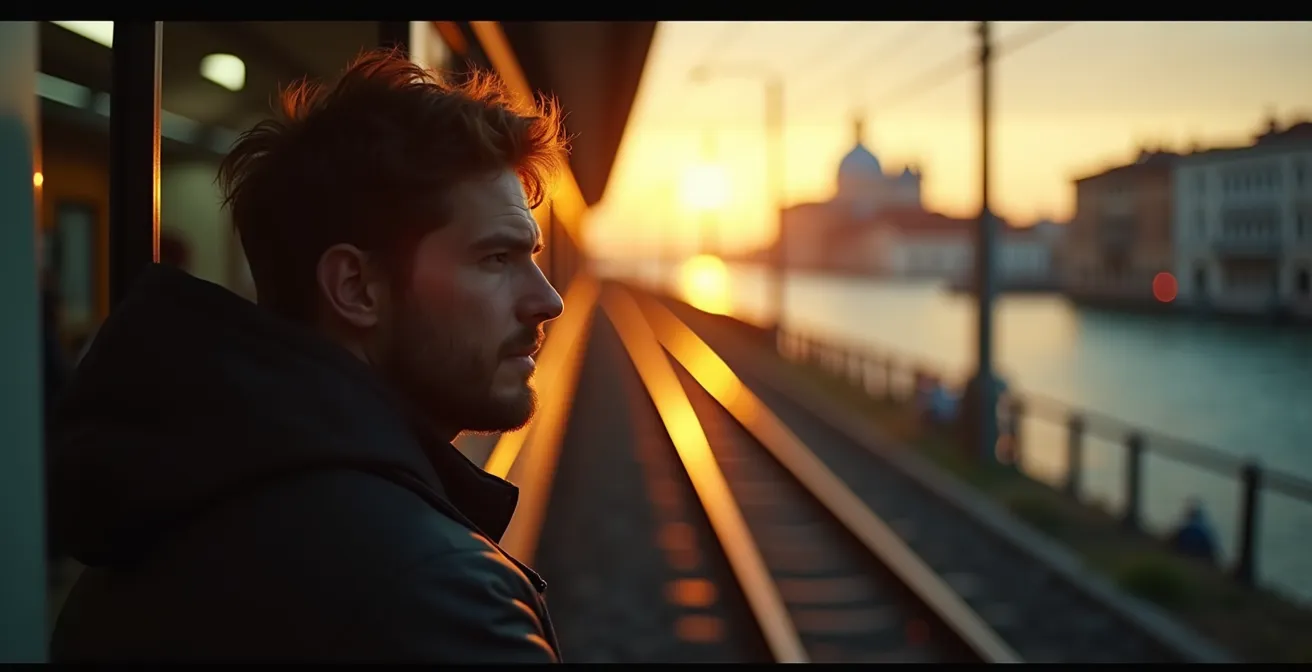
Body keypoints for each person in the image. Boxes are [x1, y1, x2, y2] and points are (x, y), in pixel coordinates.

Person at [46, 49, 568, 662]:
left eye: (530, 256)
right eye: (496, 259)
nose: (548, 300)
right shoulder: (438, 595)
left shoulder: (152, 520)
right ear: (355, 288)